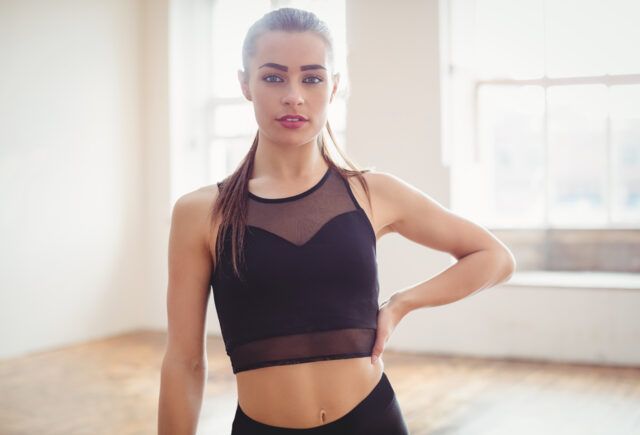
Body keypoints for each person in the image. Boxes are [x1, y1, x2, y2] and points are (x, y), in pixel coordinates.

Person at [158, 7, 516, 435]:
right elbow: (183, 361)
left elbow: (494, 257)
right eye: (273, 77)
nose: (294, 95)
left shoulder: (372, 192)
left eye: (312, 78)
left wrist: (402, 304)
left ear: (334, 87)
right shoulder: (201, 212)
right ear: (245, 84)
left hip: (373, 421)